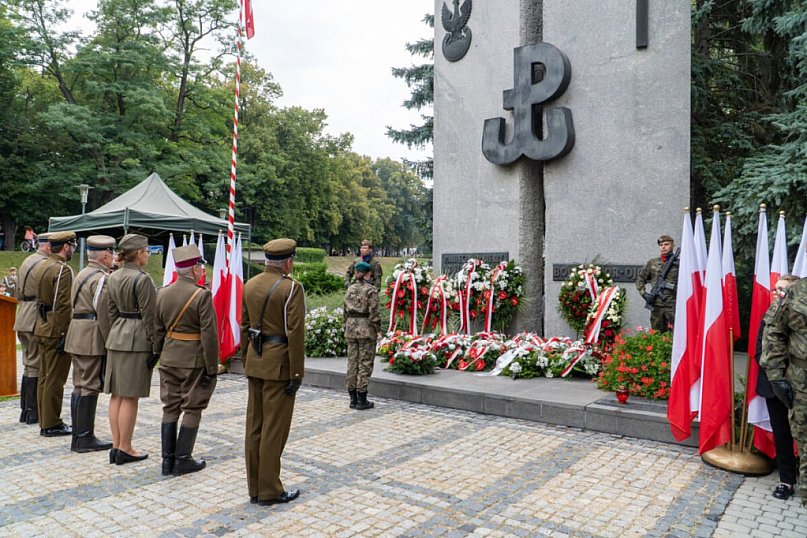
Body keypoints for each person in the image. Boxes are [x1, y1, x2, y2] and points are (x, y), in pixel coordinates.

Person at [241, 238, 305, 506]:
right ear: (288, 262)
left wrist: (248, 359)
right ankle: (270, 490)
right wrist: (297, 373)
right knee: (273, 429)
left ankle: (255, 487)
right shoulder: (291, 288)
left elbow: (244, 325)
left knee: (254, 426)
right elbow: (295, 333)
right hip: (279, 365)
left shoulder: (250, 284)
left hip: (255, 361)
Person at [154, 244, 218, 476]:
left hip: (169, 357)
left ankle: (167, 460)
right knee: (192, 407)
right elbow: (209, 335)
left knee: (170, 406)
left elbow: (157, 329)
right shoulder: (201, 295)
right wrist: (212, 367)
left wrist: (160, 352)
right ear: (194, 270)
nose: (203, 271)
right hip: (193, 359)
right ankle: (183, 459)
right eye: (200, 266)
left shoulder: (162, 293)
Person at [104, 234, 158, 465]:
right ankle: (125, 447)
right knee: (130, 397)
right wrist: (156, 345)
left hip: (117, 335)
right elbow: (150, 317)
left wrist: (114, 334)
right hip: (136, 338)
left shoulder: (113, 276)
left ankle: (117, 445)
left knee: (117, 395)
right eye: (146, 251)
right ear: (137, 254)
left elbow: (110, 311)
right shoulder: (142, 279)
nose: (147, 254)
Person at [64, 235, 116, 453]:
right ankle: (84, 437)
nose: (113, 256)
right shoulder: (101, 278)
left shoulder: (82, 274)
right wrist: (110, 340)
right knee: (89, 386)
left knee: (79, 384)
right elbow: (103, 314)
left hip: (77, 332)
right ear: (104, 256)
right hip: (91, 335)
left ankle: (79, 435)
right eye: (111, 253)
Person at [761, 275, 807, 507]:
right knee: (792, 435)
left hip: (800, 380)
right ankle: (791, 484)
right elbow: (771, 339)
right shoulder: (787, 298)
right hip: (788, 382)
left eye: (782, 290)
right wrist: (775, 378)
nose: (777, 292)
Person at [33, 231, 77, 437]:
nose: (73, 250)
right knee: (55, 378)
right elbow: (63, 305)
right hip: (54, 328)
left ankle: (45, 419)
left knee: (44, 376)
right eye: (72, 246)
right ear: (67, 246)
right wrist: (63, 333)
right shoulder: (62, 270)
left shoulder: (42, 265)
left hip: (42, 324)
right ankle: (51, 423)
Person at [13, 233, 51, 425]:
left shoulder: (28, 260)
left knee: (29, 363)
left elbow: (18, 291)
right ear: (48, 246)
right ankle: (33, 411)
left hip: (23, 314)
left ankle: (26, 410)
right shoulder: (43, 264)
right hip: (35, 315)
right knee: (36, 364)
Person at [344, 261, 381, 410]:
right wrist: (378, 330)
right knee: (365, 363)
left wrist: (345, 325)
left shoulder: (350, 289)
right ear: (368, 273)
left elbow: (344, 311)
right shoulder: (371, 290)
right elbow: (374, 312)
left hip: (351, 327)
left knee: (352, 362)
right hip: (366, 328)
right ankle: (362, 398)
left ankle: (352, 398)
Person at [635, 234, 679, 332]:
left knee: (675, 335)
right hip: (657, 306)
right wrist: (644, 294)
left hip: (673, 306)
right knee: (656, 335)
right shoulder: (652, 263)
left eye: (666, 244)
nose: (663, 247)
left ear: (673, 245)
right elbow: (640, 279)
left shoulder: (679, 263)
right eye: (661, 245)